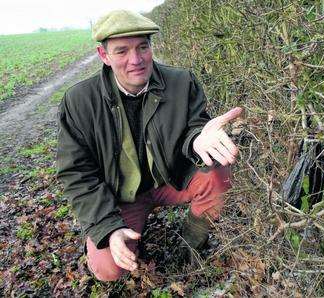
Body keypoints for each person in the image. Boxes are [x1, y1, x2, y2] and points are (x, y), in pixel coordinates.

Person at [56, 10, 242, 282]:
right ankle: (125, 233)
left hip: (170, 180)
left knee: (218, 173)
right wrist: (108, 228)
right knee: (109, 270)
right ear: (103, 55)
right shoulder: (79, 102)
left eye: (143, 47)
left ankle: (189, 243)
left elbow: (194, 126)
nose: (136, 60)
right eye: (122, 51)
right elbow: (77, 174)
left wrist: (197, 139)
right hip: (120, 195)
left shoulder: (181, 82)